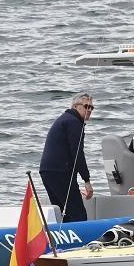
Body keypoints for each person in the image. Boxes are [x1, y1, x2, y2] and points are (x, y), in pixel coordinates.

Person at [40, 93, 95, 222]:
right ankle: (81, 240)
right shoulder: (73, 122)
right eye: (86, 106)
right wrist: (87, 181)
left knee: (64, 213)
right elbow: (77, 154)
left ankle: (62, 239)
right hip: (59, 172)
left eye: (92, 108)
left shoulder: (66, 119)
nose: (89, 110)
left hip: (48, 171)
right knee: (78, 214)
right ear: (75, 106)